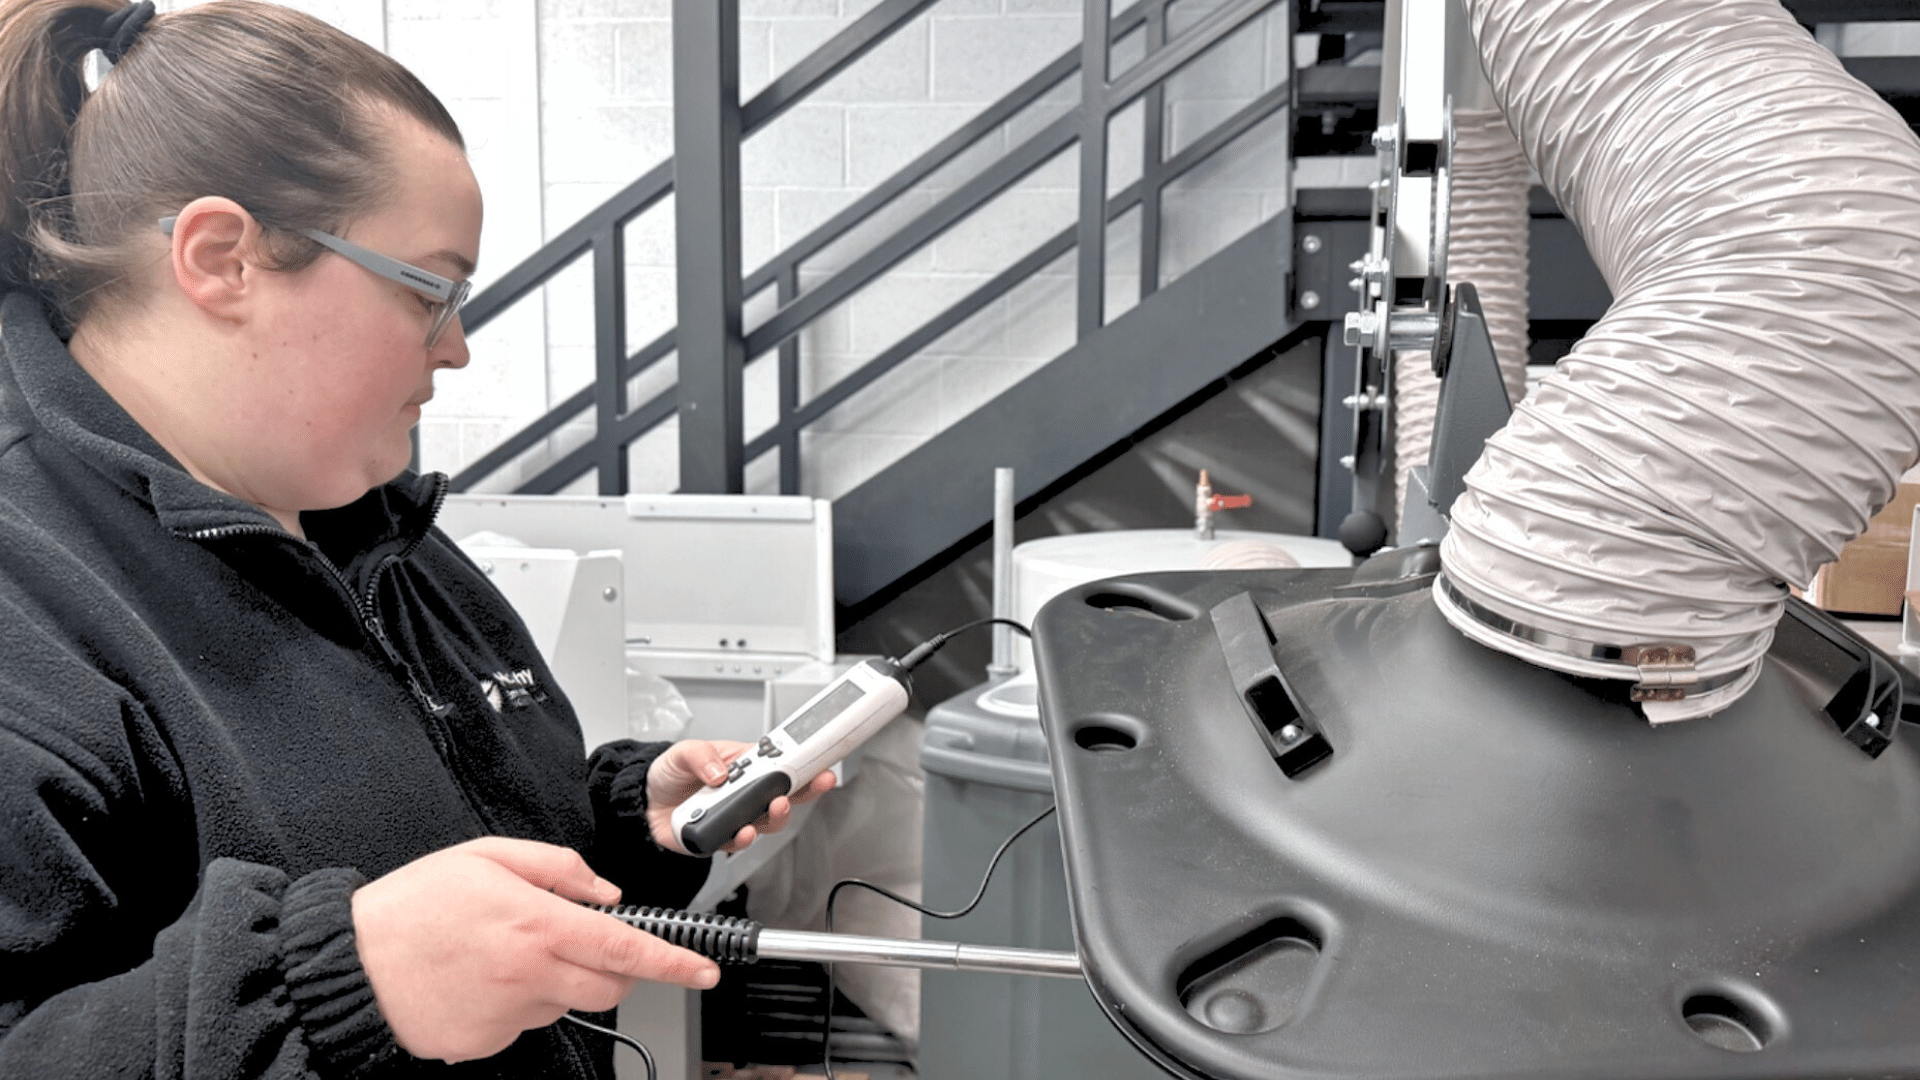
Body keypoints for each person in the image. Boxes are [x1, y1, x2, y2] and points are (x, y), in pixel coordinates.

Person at [0, 1, 834, 1076]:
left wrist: (627, 821)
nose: (459, 349)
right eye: (431, 290)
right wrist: (346, 984)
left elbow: (440, 840)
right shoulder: (31, 607)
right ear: (222, 259)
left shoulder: (370, 523)